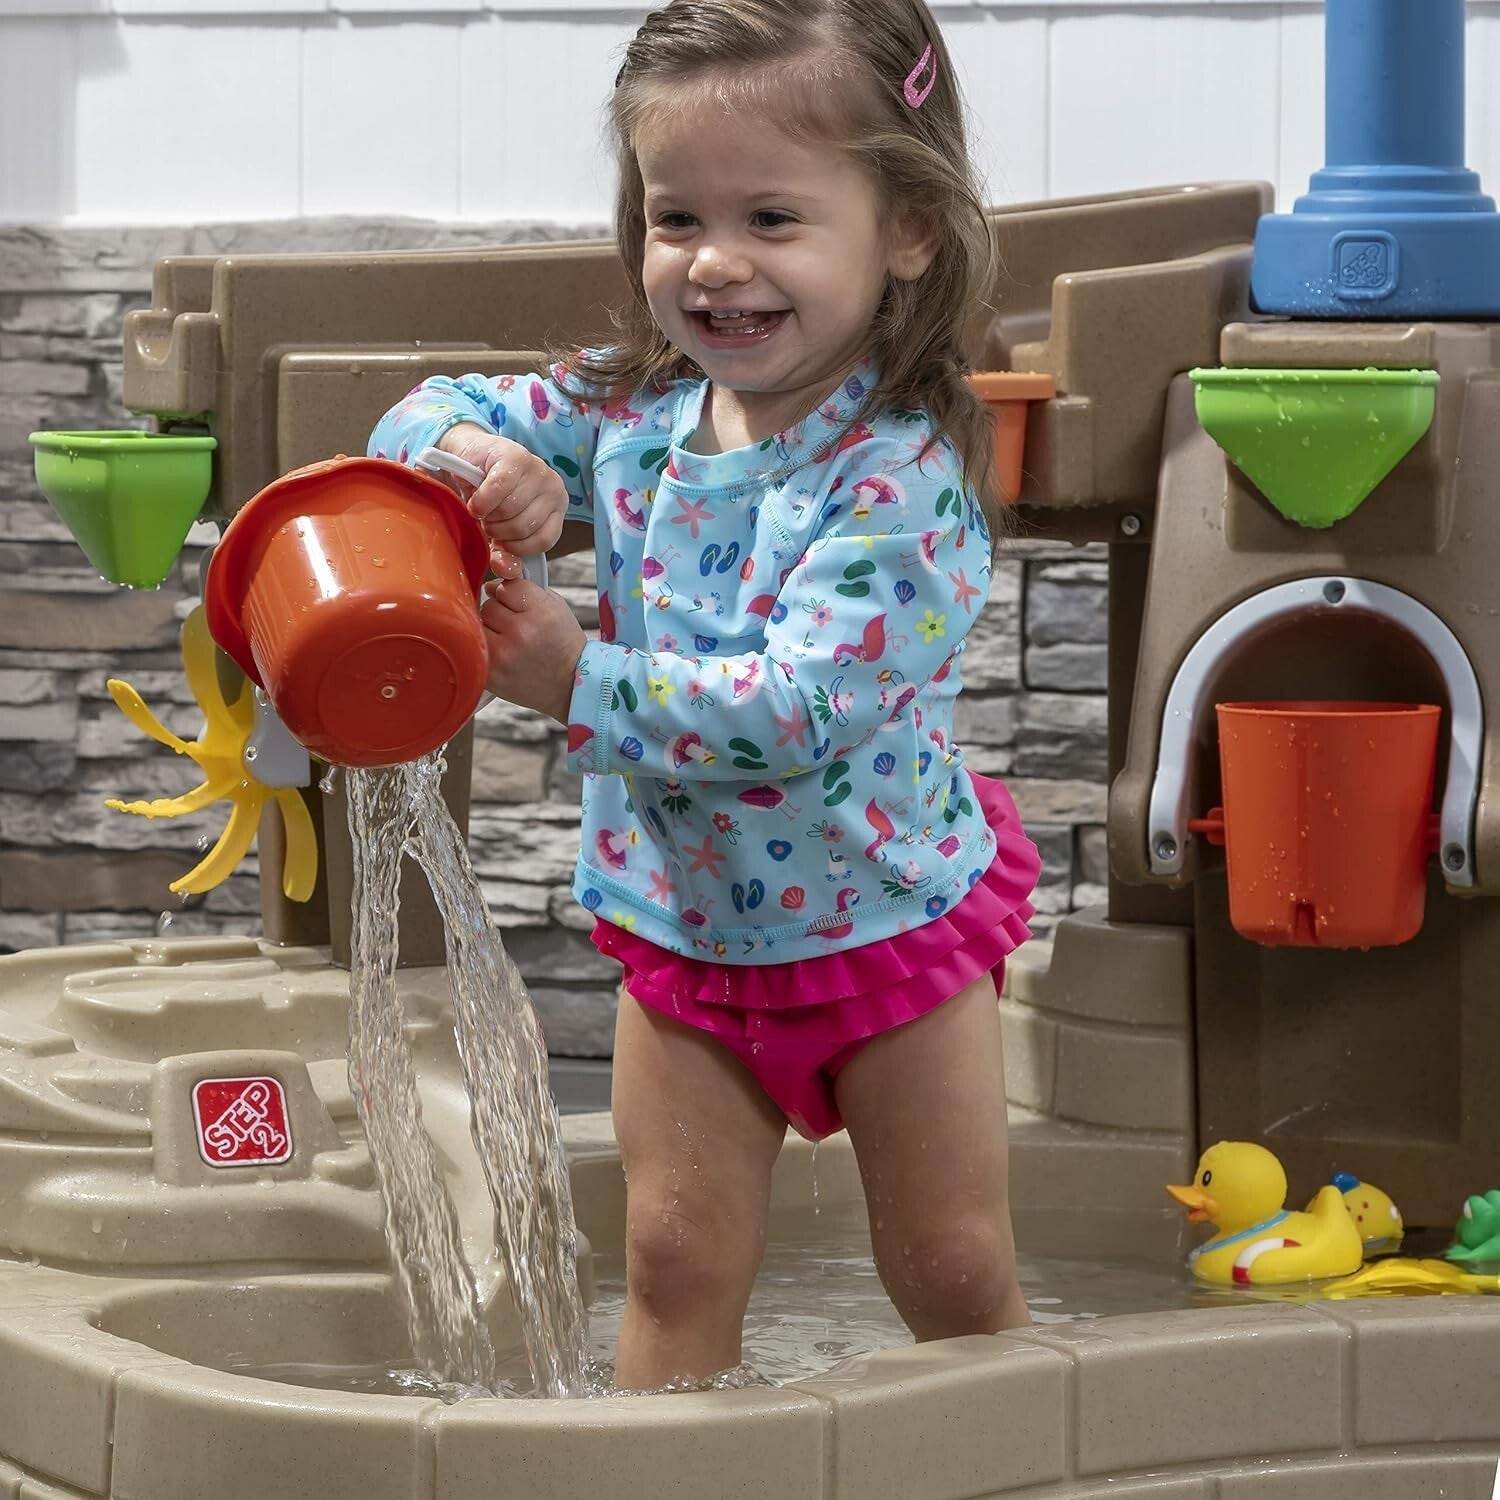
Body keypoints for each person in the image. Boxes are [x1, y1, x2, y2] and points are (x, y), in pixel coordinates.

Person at [370, 0, 1041, 1391]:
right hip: (689, 936)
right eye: (678, 217)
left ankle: (1007, 1466)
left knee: (953, 1268)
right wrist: (478, 464)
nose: (716, 262)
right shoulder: (631, 408)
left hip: (886, 929)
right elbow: (412, 411)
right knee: (671, 1261)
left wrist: (575, 677)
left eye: (775, 219)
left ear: (906, 228)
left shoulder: (899, 481)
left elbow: (800, 710)